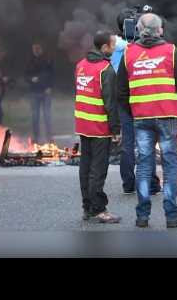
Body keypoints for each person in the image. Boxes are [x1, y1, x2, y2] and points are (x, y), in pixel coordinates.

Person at [118, 13, 177, 228]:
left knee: (143, 166)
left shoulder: (128, 53)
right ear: (160, 30)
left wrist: (132, 112)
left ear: (139, 30)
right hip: (168, 116)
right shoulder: (171, 51)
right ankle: (171, 217)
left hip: (141, 118)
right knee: (169, 166)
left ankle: (142, 216)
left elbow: (121, 92)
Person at [112, 10, 161, 196]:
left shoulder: (116, 49)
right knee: (146, 143)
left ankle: (128, 183)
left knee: (128, 143)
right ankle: (152, 183)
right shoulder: (136, 50)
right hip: (143, 101)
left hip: (124, 102)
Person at [75, 30, 121, 223]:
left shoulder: (80, 66)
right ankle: (99, 209)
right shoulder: (106, 70)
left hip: (83, 125)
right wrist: (116, 129)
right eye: (112, 44)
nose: (115, 47)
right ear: (104, 48)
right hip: (99, 128)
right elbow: (111, 103)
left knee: (85, 167)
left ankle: (87, 207)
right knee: (98, 169)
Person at [24, 42, 54, 144]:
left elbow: (51, 74)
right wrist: (31, 79)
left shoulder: (47, 59)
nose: (36, 50)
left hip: (45, 91)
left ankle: (49, 137)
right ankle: (36, 137)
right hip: (34, 92)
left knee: (47, 115)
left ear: (41, 48)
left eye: (38, 48)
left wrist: (49, 86)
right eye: (34, 48)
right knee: (35, 116)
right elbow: (26, 75)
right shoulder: (29, 61)